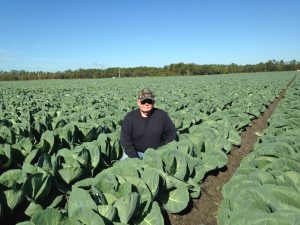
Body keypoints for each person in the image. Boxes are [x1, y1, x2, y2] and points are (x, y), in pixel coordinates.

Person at [120, 88, 177, 159]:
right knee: (125, 165)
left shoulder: (162, 115)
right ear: (138, 102)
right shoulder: (130, 117)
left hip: (157, 154)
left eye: (149, 101)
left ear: (153, 102)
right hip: (135, 153)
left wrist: (163, 149)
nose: (146, 104)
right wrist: (134, 158)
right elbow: (125, 140)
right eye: (143, 102)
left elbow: (172, 134)